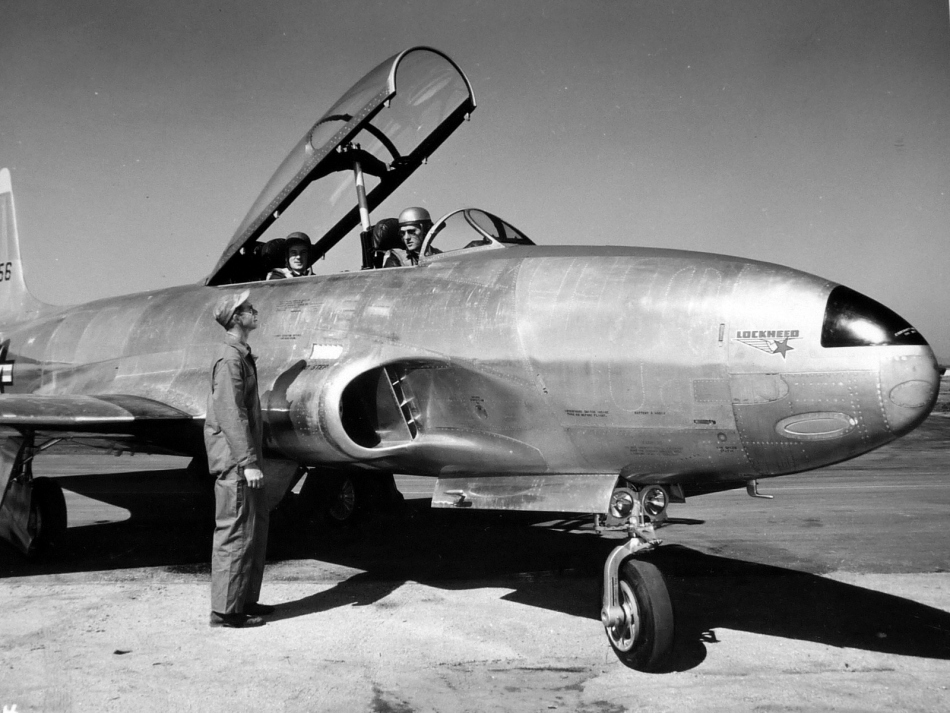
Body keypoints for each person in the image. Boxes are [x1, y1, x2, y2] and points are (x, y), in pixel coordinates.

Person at [205, 290, 274, 628]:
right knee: (234, 529)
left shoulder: (242, 355)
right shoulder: (230, 359)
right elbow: (230, 413)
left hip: (245, 457)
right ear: (235, 318)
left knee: (253, 526)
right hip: (236, 460)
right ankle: (225, 612)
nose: (253, 311)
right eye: (247, 308)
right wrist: (247, 462)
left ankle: (244, 600)